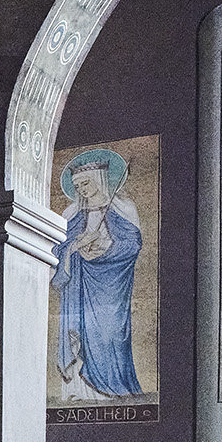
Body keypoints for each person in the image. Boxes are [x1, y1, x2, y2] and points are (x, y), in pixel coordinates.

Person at [52, 149, 145, 400]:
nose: (81, 189)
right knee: (79, 331)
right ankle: (79, 391)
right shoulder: (70, 214)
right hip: (78, 287)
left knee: (110, 332)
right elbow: (57, 248)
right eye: (77, 185)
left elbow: (132, 245)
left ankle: (111, 389)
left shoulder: (122, 208)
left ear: (99, 180)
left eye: (85, 183)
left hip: (110, 284)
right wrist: (76, 246)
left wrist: (104, 248)